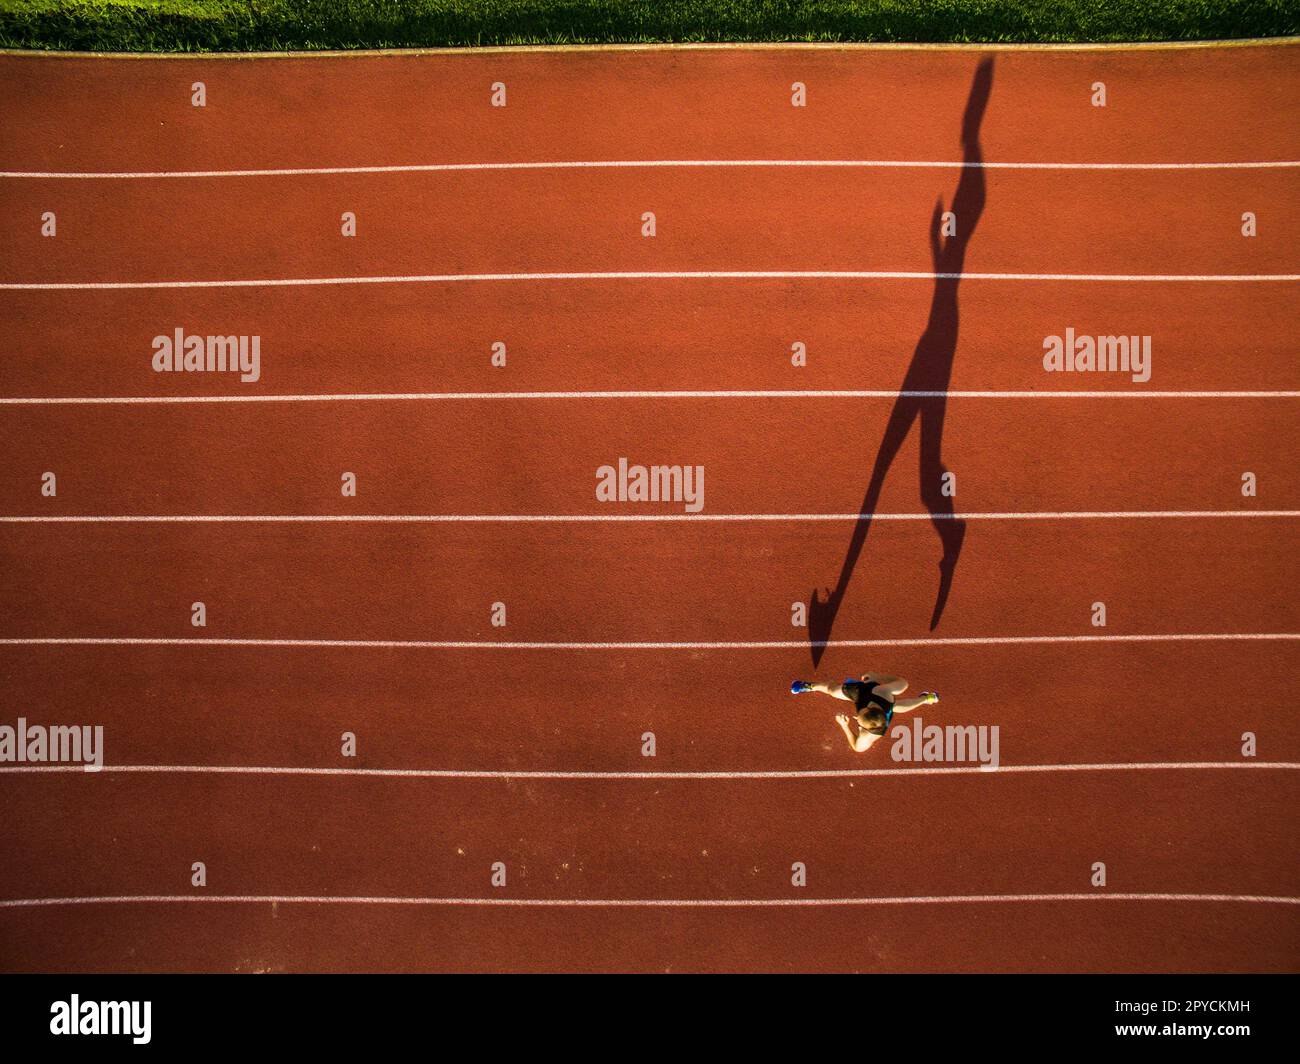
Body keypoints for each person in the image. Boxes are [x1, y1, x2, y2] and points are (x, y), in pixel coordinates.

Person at [791, 674, 939, 753]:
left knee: (895, 707)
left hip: (877, 709)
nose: (856, 718)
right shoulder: (883, 692)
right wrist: (877, 676)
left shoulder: (869, 735)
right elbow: (903, 682)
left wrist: (845, 726)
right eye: (859, 718)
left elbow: (857, 747)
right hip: (865, 692)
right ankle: (810, 686)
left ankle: (926, 698)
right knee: (832, 689)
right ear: (869, 708)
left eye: (858, 722)